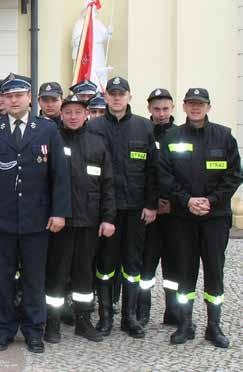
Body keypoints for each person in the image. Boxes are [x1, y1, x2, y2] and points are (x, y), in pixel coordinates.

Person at [0, 73, 71, 354]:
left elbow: (59, 176)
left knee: (34, 279)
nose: (13, 100)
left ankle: (33, 330)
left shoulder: (47, 130)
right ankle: (3, 330)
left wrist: (59, 212)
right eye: (9, 96)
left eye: (19, 95)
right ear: (1, 99)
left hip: (36, 220)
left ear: (29, 98)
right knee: (1, 279)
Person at [159, 88, 242, 348]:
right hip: (183, 217)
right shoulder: (172, 137)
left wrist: (212, 200)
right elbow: (165, 176)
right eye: (191, 104)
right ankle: (185, 324)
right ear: (183, 107)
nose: (195, 108)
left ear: (208, 107)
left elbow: (234, 174)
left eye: (201, 104)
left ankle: (213, 326)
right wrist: (187, 200)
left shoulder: (224, 136)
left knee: (215, 271)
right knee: (185, 271)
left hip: (215, 217)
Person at [88, 77, 158, 339]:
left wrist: (151, 204)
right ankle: (105, 316)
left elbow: (153, 169)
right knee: (105, 264)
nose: (117, 98)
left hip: (135, 209)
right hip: (105, 210)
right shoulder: (93, 127)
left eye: (122, 94)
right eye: (112, 94)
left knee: (132, 265)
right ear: (105, 97)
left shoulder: (143, 127)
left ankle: (130, 317)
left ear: (130, 97)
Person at [44, 94, 115, 343]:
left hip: (89, 221)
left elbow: (108, 184)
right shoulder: (52, 140)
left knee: (84, 274)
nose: (73, 116)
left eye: (78, 111)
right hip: (60, 222)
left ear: (87, 114)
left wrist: (108, 218)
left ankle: (83, 321)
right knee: (56, 273)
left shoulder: (98, 143)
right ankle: (51, 323)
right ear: (61, 115)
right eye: (68, 112)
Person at [138, 88, 178, 327]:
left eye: (165, 108)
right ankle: (142, 312)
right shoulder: (143, 132)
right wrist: (152, 203)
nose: (161, 113)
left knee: (174, 266)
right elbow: (141, 173)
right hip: (150, 212)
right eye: (156, 109)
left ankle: (173, 312)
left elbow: (185, 174)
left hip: (175, 213)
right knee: (146, 266)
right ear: (149, 109)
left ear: (172, 108)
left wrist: (173, 201)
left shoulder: (181, 134)